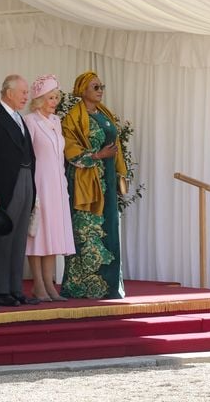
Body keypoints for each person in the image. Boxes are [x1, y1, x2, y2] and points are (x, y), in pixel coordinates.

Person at [60, 71, 127, 299]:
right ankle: (81, 286)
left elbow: (116, 145)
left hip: (106, 180)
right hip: (86, 182)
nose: (100, 90)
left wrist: (120, 174)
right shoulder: (73, 118)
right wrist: (98, 155)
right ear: (83, 90)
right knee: (86, 232)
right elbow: (70, 152)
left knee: (109, 229)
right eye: (95, 87)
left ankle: (108, 286)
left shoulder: (104, 114)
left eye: (101, 86)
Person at [0, 74, 40, 307]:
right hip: (5, 185)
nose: (27, 96)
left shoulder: (19, 118)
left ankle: (16, 289)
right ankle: (1, 290)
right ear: (9, 92)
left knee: (20, 239)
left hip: (25, 181)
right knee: (5, 238)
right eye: (23, 92)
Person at [24, 74, 76, 302]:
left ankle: (50, 285)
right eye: (50, 97)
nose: (54, 101)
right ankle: (39, 284)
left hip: (57, 184)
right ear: (39, 99)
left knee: (53, 234)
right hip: (39, 183)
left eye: (56, 97)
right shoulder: (30, 121)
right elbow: (27, 156)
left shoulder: (56, 122)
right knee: (37, 234)